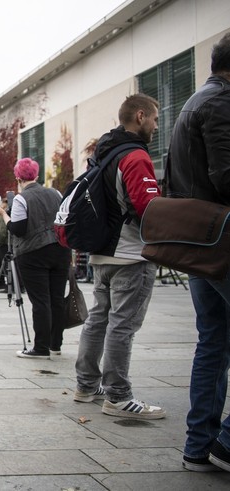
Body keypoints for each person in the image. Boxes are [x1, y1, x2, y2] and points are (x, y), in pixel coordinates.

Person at [73, 94, 163, 420]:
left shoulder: (103, 153)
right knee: (122, 325)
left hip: (103, 254)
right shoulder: (135, 156)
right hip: (131, 254)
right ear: (140, 116)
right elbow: (148, 209)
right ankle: (118, 396)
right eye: (155, 117)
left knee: (99, 319)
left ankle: (86, 385)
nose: (157, 123)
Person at [167, 32, 230, 473]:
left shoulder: (195, 101)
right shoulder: (220, 103)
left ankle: (198, 444)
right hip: (221, 240)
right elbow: (227, 176)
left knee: (213, 341)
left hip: (200, 243)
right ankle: (224, 439)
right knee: (213, 341)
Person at [0, 158, 69, 358]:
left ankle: (41, 347)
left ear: (18, 177)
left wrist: (4, 215)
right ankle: (55, 344)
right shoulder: (56, 193)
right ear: (36, 175)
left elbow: (18, 229)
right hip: (60, 250)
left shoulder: (21, 199)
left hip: (34, 254)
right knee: (57, 299)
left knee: (40, 300)